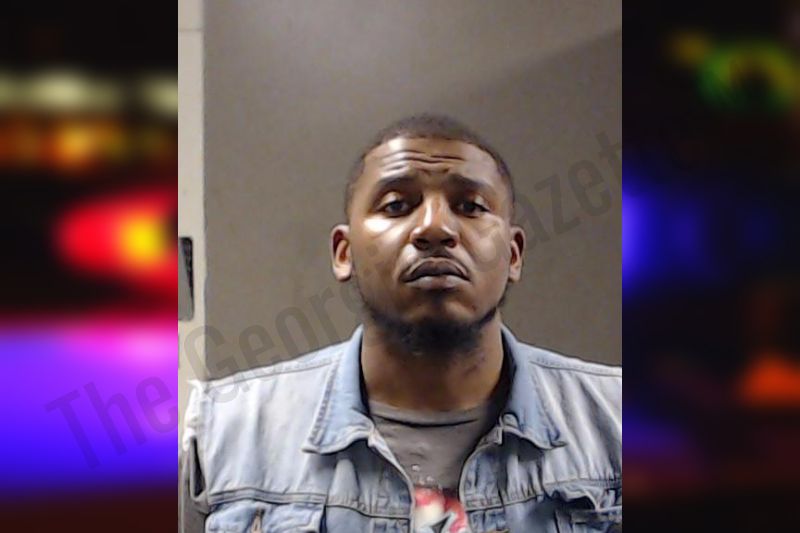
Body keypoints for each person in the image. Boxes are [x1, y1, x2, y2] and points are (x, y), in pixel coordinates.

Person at [180, 114, 621, 532]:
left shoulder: (619, 424)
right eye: (396, 206)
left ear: (514, 254)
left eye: (470, 206)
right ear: (344, 253)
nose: (434, 227)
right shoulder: (228, 436)